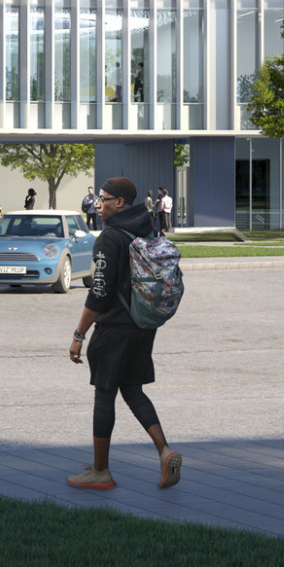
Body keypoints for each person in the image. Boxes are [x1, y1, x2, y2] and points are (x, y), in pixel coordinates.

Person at [66, 176, 181, 491]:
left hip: (114, 329)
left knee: (104, 394)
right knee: (132, 390)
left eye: (104, 199)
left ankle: (100, 471)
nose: (98, 204)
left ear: (120, 202)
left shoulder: (110, 238)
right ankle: (165, 451)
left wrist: (79, 334)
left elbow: (99, 293)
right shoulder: (146, 230)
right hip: (143, 326)